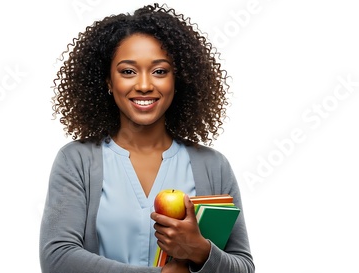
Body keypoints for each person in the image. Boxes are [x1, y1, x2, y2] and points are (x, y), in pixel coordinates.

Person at [39, 3, 254, 273]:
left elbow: (244, 267)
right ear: (108, 81)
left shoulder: (213, 166)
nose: (143, 85)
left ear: (178, 79)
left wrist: (200, 250)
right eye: (128, 71)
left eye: (160, 71)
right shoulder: (77, 161)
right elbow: (58, 259)